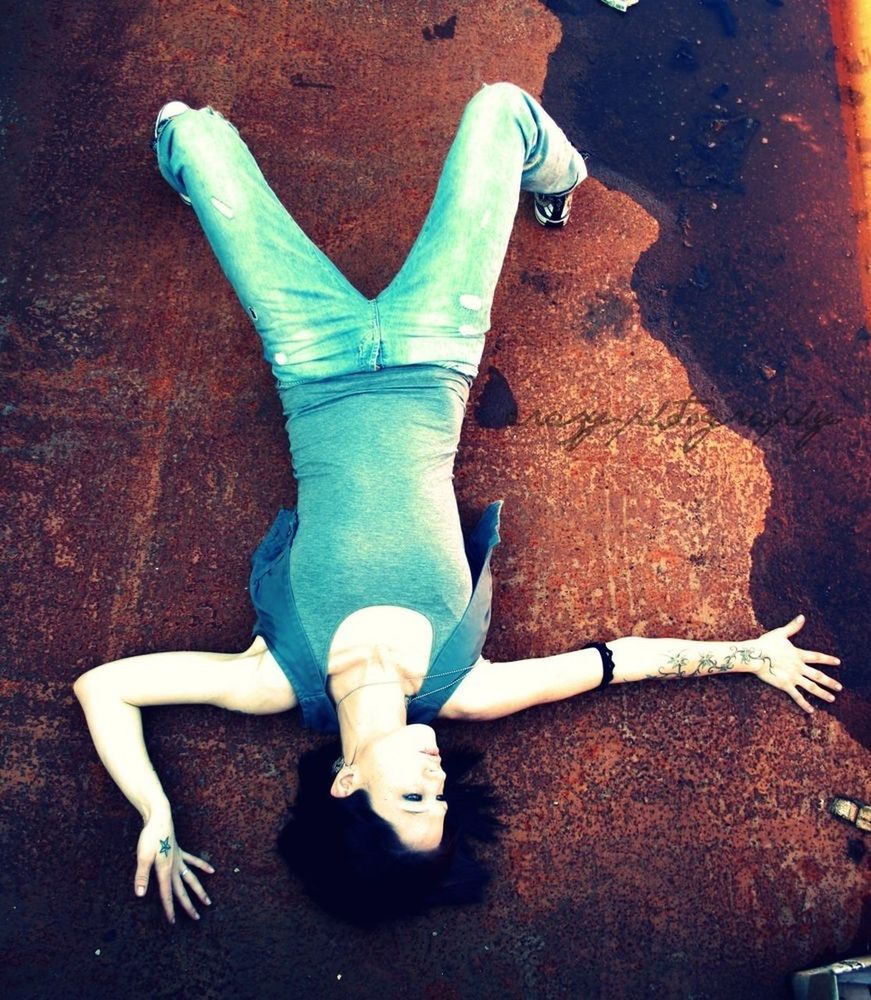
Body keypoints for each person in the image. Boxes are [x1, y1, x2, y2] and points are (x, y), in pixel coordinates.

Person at [74, 82, 843, 927]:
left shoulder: (270, 679)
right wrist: (747, 657)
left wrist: (157, 814)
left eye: (412, 797)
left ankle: (185, 156)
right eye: (441, 801)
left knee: (191, 135)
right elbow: (617, 661)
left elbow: (106, 688)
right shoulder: (465, 687)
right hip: (436, 350)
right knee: (500, 108)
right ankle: (560, 176)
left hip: (310, 358)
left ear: (343, 785)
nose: (438, 780)